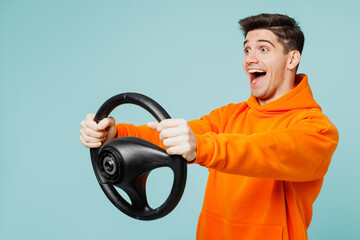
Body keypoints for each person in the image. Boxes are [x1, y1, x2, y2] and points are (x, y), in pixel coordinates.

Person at [80, 13, 339, 240]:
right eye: (246, 49)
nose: (250, 58)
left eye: (263, 49)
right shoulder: (229, 116)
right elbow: (176, 136)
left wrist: (203, 147)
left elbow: (270, 150)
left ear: (292, 59)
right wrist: (116, 135)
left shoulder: (316, 129)